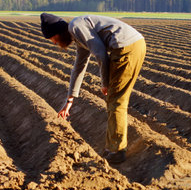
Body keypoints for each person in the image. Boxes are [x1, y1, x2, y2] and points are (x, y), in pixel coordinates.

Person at [40, 13, 146, 164]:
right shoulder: (77, 33)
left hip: (125, 48)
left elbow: (101, 53)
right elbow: (79, 66)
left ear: (58, 32)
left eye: (52, 39)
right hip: (131, 45)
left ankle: (117, 151)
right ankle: (112, 148)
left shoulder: (76, 27)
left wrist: (105, 82)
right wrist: (69, 100)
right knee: (114, 100)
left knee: (116, 100)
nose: (54, 43)